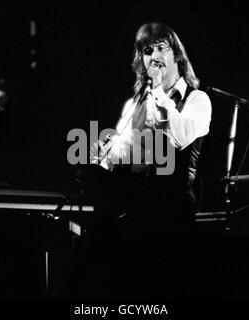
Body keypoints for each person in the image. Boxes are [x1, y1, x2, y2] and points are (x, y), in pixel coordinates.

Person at [80, 22, 213, 298]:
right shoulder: (135, 105)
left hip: (174, 214)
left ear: (176, 54)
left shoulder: (197, 100)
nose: (154, 55)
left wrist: (161, 97)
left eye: (161, 48)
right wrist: (103, 154)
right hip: (138, 215)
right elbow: (124, 150)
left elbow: (179, 137)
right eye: (147, 50)